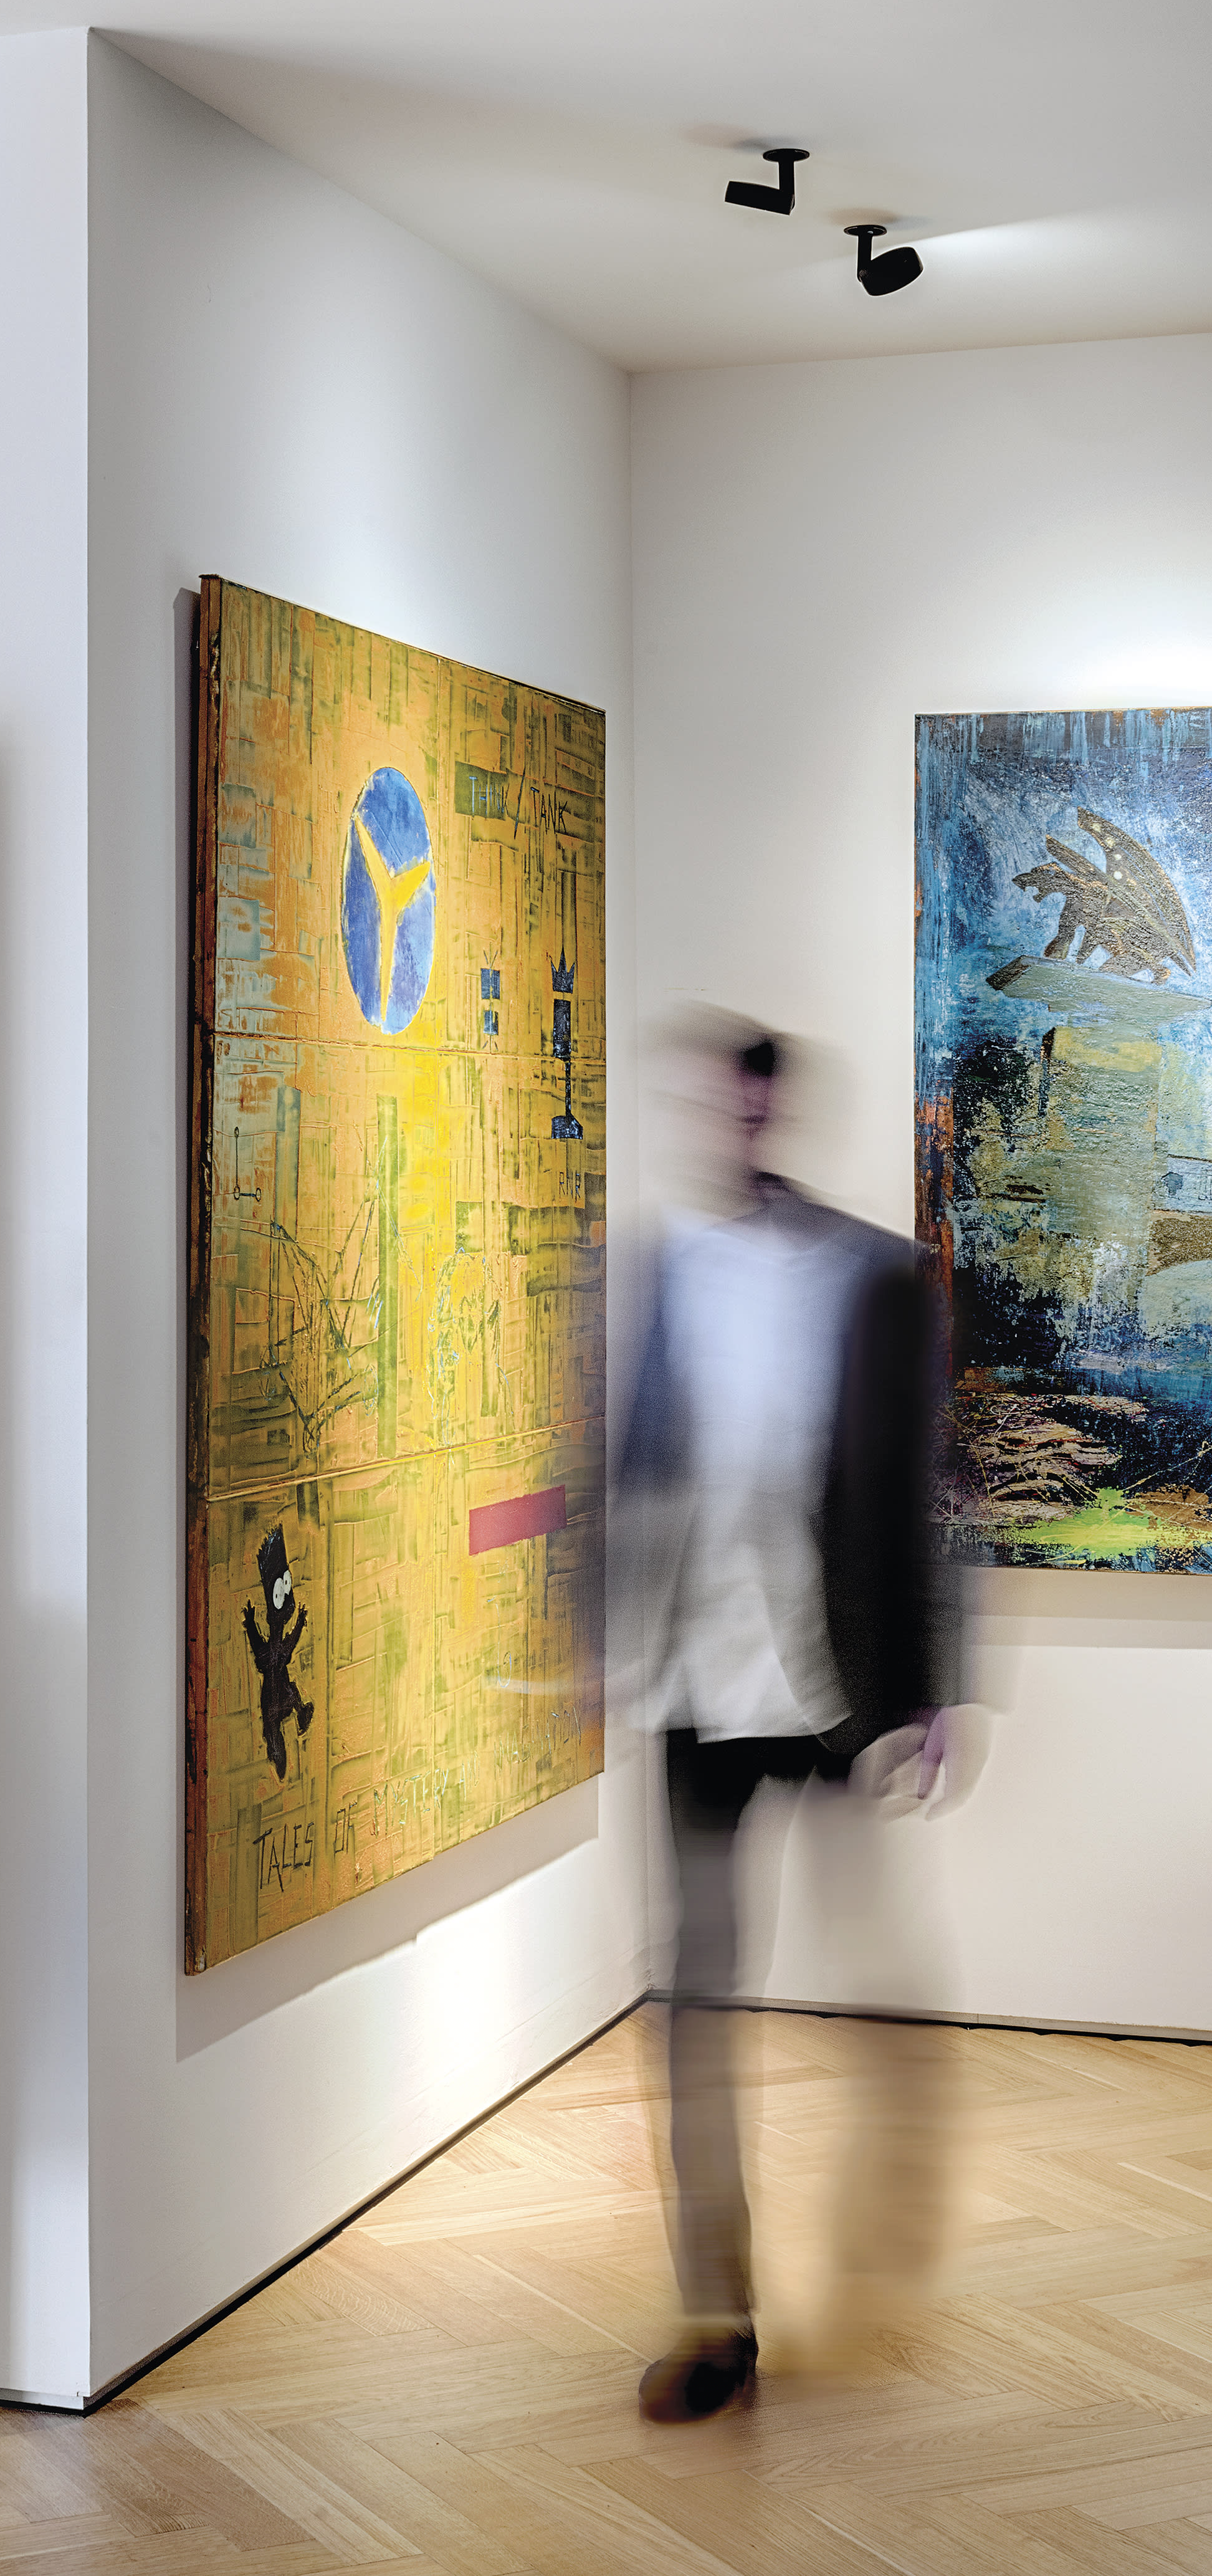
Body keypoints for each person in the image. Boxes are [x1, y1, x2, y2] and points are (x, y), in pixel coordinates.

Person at [614, 1015, 981, 2424]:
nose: (734, 1127)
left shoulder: (873, 1275)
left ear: (778, 1111)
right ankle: (717, 2315)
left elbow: (932, 1485)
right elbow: (628, 1470)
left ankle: (896, 2196)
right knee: (695, 2002)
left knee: (873, 1972)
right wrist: (596, 1646)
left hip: (832, 1682)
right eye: (713, 1105)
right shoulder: (665, 1273)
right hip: (698, 1685)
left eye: (752, 1104)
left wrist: (936, 1684)